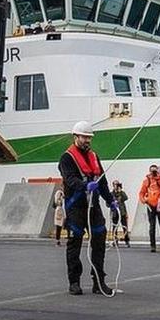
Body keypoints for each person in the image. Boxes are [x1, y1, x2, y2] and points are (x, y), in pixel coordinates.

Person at [58, 120, 117, 296]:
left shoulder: (94, 156)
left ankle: (99, 282)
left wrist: (110, 200)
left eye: (89, 137)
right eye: (84, 137)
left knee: (99, 241)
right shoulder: (67, 158)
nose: (87, 140)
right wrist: (85, 186)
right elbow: (69, 179)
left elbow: (103, 182)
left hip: (94, 207)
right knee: (74, 243)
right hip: (76, 207)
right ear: (75, 137)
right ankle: (74, 282)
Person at [138, 163, 160, 252]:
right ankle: (153, 246)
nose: (153, 172)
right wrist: (143, 200)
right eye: (152, 170)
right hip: (150, 205)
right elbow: (141, 192)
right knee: (152, 226)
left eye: (155, 170)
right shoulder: (147, 180)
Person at [111, 180, 130, 247]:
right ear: (113, 185)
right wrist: (112, 204)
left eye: (118, 184)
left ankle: (127, 240)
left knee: (125, 227)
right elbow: (107, 204)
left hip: (122, 212)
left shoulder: (121, 193)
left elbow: (126, 198)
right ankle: (115, 241)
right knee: (114, 227)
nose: (117, 186)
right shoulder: (111, 194)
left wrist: (120, 192)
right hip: (115, 213)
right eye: (115, 184)